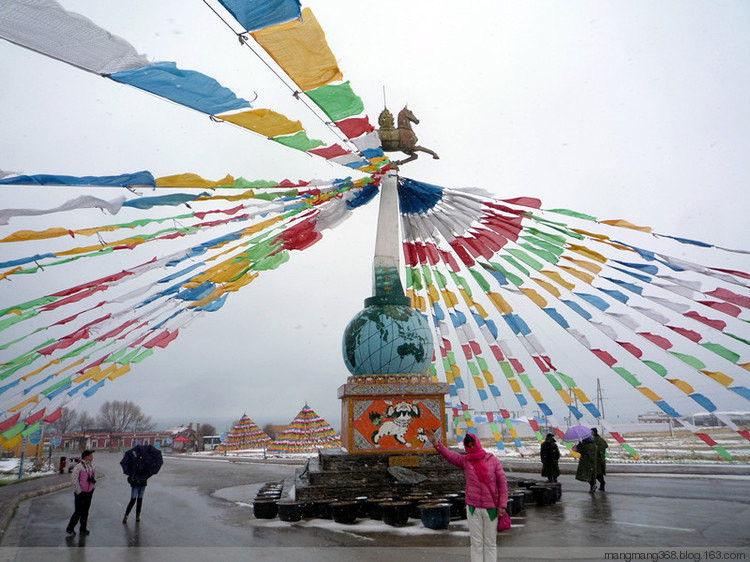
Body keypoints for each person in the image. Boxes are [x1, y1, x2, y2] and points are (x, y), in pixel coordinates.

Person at [425, 428, 507, 562]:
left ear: (477, 443)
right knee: (476, 544)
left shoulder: (493, 460)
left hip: (491, 509)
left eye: (473, 444)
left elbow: (503, 485)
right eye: (468, 445)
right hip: (473, 509)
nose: (471, 447)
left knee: (490, 544)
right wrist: (436, 443)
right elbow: (449, 455)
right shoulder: (466, 461)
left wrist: (502, 506)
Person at [66, 450, 96, 536]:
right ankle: (70, 528)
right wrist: (79, 492)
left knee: (85, 512)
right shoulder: (78, 467)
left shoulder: (92, 466)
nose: (92, 457)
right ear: (85, 457)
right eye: (90, 456)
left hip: (89, 492)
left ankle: (83, 529)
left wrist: (93, 486)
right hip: (81, 493)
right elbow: (74, 480)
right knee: (78, 512)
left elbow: (93, 477)